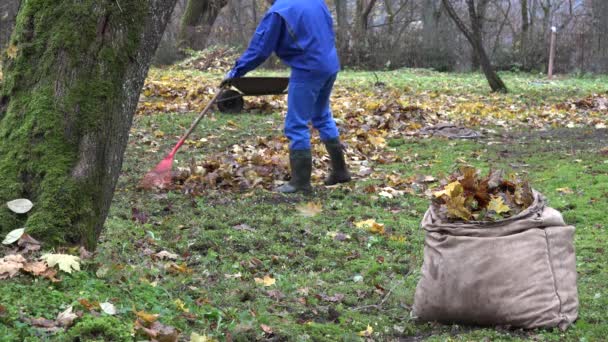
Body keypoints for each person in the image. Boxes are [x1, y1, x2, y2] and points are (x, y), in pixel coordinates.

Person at [224, 0, 351, 193]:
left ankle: (300, 183)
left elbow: (260, 50)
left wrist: (235, 72)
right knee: (322, 116)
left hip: (307, 69)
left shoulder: (278, 13)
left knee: (296, 123)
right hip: (330, 65)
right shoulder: (316, 2)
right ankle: (341, 172)